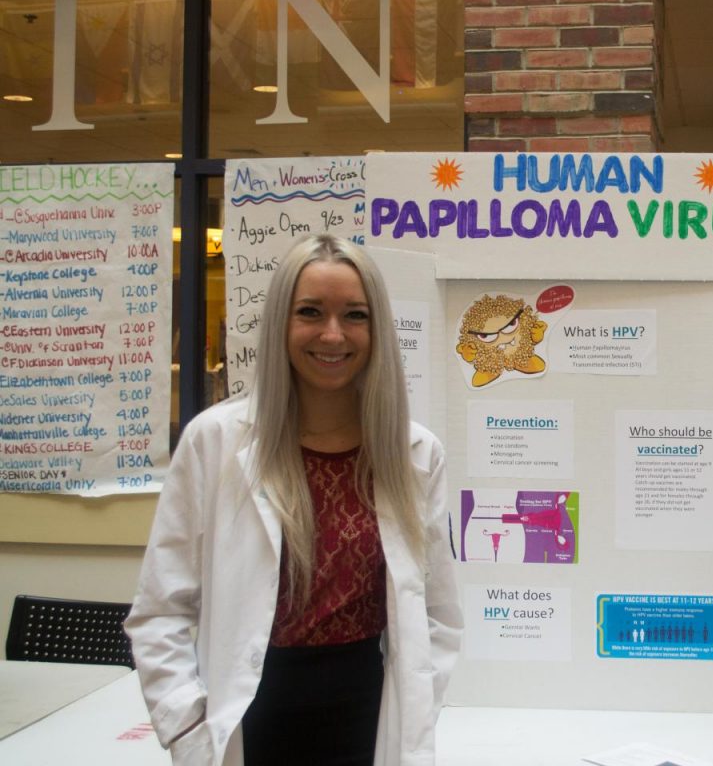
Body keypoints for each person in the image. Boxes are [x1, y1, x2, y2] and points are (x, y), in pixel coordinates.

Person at [126, 235, 462, 766]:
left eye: (355, 314)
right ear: (281, 323)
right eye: (310, 312)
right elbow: (160, 612)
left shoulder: (414, 454)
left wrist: (419, 706)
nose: (333, 334)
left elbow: (439, 614)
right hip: (247, 723)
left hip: (368, 721)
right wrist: (187, 729)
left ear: (378, 331)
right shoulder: (214, 442)